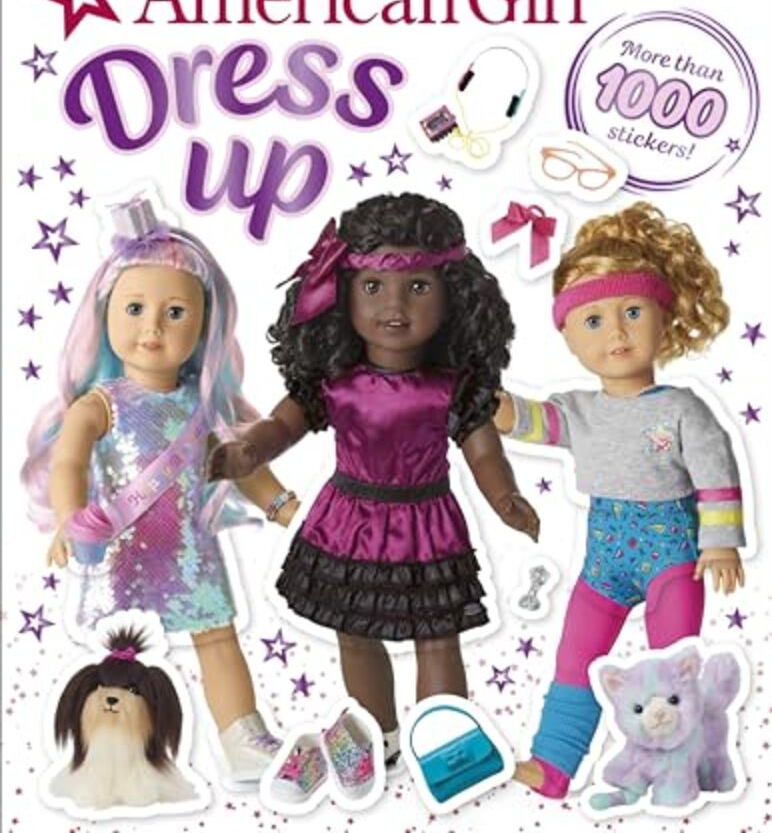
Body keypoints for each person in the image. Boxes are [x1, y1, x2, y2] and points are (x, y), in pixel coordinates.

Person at [210, 192, 540, 765]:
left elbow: (483, 449)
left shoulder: (452, 385)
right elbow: (282, 426)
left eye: (418, 287)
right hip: (348, 522)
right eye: (372, 286)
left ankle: (447, 745)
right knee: (355, 631)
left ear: (454, 295)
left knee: (436, 635)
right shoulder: (335, 381)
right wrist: (248, 452)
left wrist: (503, 494)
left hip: (427, 525)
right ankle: (374, 732)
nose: (395, 305)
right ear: (341, 294)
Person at [22, 197, 297, 782]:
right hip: (120, 551)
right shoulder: (99, 405)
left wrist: (282, 506)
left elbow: (238, 464)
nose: (152, 327)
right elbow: (69, 463)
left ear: (203, 326)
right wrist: (70, 519)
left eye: (175, 312)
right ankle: (111, 748)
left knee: (217, 638)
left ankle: (243, 738)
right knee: (118, 656)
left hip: (191, 549)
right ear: (105, 315)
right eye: (135, 308)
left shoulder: (204, 406)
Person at [494, 201, 746, 798]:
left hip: (673, 560)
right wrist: (478, 393)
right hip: (603, 563)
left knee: (673, 669)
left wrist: (719, 542)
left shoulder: (681, 408)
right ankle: (553, 765)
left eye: (632, 312)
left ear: (664, 317)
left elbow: (715, 472)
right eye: (594, 320)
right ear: (568, 337)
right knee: (575, 658)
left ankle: (684, 768)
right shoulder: (579, 410)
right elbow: (523, 420)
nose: (617, 333)